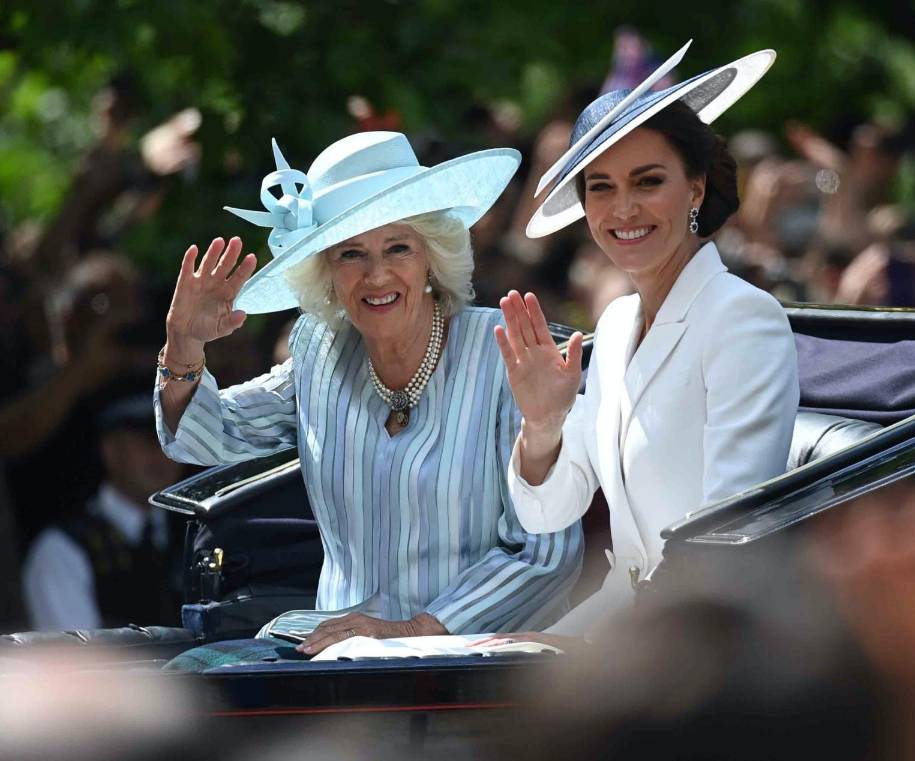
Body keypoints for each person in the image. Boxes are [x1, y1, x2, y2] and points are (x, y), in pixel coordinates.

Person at [154, 132, 583, 660]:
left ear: (431, 256)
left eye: (398, 247)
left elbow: (546, 554)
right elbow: (210, 437)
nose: (376, 274)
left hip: (481, 669)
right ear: (326, 274)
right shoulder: (320, 352)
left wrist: (414, 631)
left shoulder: (503, 353)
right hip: (336, 662)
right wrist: (184, 346)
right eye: (351, 253)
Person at [494, 43, 799, 640]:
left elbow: (726, 538)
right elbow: (549, 512)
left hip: (712, 639)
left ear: (694, 188)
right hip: (628, 624)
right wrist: (543, 425)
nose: (623, 209)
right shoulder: (613, 326)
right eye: (600, 187)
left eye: (648, 181)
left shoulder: (742, 318)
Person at [22, 394, 185, 630]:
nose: (160, 452)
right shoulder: (63, 549)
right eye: (145, 439)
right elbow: (78, 661)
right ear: (111, 450)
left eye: (171, 439)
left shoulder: (195, 532)